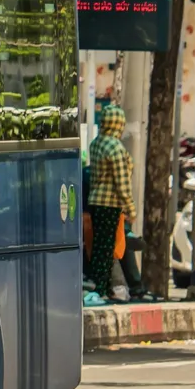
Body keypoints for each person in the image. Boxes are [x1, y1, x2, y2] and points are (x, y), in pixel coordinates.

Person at [87, 100, 136, 302]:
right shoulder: (115, 147)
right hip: (110, 204)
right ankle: (100, 288)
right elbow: (121, 182)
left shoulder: (96, 143)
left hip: (95, 201)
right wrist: (130, 207)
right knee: (106, 249)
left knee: (99, 246)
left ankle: (101, 287)